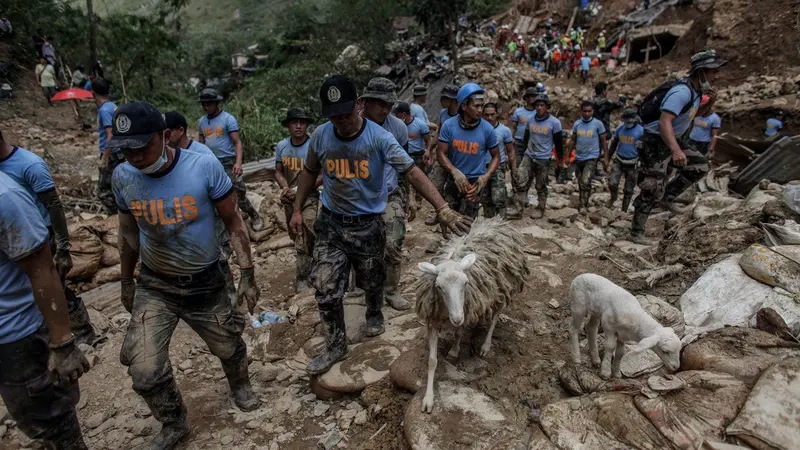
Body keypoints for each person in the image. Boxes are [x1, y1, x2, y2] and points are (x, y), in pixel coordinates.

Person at [289, 75, 471, 374]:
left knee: (372, 279)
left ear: (358, 106)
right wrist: (298, 209)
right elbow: (309, 172)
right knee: (325, 286)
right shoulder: (322, 135)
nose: (341, 122)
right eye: (334, 116)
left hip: (368, 223)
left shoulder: (379, 138)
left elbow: (412, 172)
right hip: (332, 222)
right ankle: (335, 344)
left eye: (346, 114)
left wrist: (443, 208)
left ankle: (375, 311)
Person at [111, 101, 262, 449]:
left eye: (141, 147)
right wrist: (125, 280)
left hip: (206, 280)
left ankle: (240, 385)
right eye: (125, 150)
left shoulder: (203, 165)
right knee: (144, 370)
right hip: (156, 283)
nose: (134, 157)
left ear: (165, 136)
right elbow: (127, 233)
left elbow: (233, 221)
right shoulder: (123, 177)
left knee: (228, 346)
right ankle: (174, 422)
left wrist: (247, 273)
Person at [0, 171, 91, 450]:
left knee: (50, 423)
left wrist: (63, 343)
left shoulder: (6, 197)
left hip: (17, 335)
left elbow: (43, 269)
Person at [0, 130, 96, 345]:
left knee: (54, 285)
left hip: (40, 237)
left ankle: (81, 332)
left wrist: (63, 247)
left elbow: (54, 206)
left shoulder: (29, 165)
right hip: (12, 239)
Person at [631, 49, 727, 243]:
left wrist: (711, 102)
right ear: (701, 72)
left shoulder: (696, 92)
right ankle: (636, 232)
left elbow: (693, 114)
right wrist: (675, 150)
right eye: (712, 71)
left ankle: (668, 196)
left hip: (675, 137)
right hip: (656, 142)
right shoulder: (681, 92)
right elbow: (664, 122)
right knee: (652, 186)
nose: (716, 75)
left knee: (700, 166)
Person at [360, 78, 414, 311]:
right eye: (380, 103)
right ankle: (362, 289)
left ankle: (392, 289)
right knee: (361, 246)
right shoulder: (352, 125)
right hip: (359, 198)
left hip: (390, 194)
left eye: (389, 105)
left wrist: (408, 197)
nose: (385, 109)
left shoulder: (398, 128)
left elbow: (407, 167)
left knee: (394, 242)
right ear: (366, 102)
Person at [197, 88, 264, 231]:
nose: (206, 107)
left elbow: (237, 142)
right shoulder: (202, 122)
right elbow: (200, 145)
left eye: (209, 104)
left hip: (228, 161)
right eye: (204, 104)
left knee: (237, 194)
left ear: (216, 103)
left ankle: (254, 215)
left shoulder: (228, 119)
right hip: (210, 162)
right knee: (214, 196)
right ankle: (225, 227)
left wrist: (238, 163)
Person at [437, 82, 501, 221]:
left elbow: (496, 156)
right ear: (464, 106)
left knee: (467, 222)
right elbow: (440, 153)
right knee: (449, 219)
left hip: (474, 184)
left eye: (481, 106)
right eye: (476, 106)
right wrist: (454, 171)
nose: (480, 110)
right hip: (454, 179)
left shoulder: (487, 129)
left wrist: (485, 177)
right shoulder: (449, 125)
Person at [274, 108, 319, 293]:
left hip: (310, 197)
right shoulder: (282, 146)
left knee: (305, 233)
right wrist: (284, 187)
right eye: (294, 123)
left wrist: (303, 189)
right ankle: (310, 267)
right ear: (288, 126)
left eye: (302, 122)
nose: (299, 126)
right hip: (290, 200)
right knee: (295, 235)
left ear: (307, 125)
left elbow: (323, 174)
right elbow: (277, 171)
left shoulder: (313, 146)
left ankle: (304, 278)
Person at [513, 94, 563, 219]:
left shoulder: (555, 123)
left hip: (544, 158)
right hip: (529, 155)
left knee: (541, 185)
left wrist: (560, 160)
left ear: (547, 107)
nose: (539, 108)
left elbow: (558, 143)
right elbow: (526, 137)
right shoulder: (530, 119)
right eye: (537, 105)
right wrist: (524, 152)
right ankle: (519, 207)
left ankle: (540, 208)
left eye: (542, 105)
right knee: (521, 180)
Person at [423, 84, 460, 227]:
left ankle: (452, 216)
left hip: (456, 156)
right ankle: (439, 214)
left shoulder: (461, 115)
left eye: (445, 98)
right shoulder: (444, 113)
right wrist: (429, 149)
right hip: (442, 154)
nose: (441, 100)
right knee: (435, 184)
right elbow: (438, 132)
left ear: (453, 100)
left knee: (454, 189)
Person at [568, 101, 607, 214]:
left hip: (592, 157)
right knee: (581, 182)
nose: (587, 113)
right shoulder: (577, 124)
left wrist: (606, 158)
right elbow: (572, 140)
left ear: (593, 111)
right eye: (585, 111)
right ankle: (583, 199)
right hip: (579, 157)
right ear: (581, 112)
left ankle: (583, 206)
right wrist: (567, 156)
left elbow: (603, 141)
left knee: (585, 180)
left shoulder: (598, 124)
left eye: (589, 111)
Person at [395, 101, 431, 220]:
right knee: (405, 180)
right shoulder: (399, 126)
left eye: (398, 115)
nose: (396, 117)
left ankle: (419, 199)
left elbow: (428, 139)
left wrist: (428, 151)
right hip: (404, 155)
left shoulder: (420, 124)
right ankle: (406, 202)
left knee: (419, 178)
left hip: (418, 155)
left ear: (404, 114)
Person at [92, 78, 121, 215]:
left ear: (93, 94)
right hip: (119, 152)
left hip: (112, 153)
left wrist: (104, 157)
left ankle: (116, 217)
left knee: (104, 190)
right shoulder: (114, 107)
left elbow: (111, 134)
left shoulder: (104, 110)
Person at [606, 109, 644, 212]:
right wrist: (607, 158)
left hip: (633, 163)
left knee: (628, 189)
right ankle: (613, 197)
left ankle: (624, 210)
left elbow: (644, 149)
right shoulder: (620, 129)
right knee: (612, 182)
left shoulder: (641, 131)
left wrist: (643, 162)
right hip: (619, 160)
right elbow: (614, 143)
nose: (627, 123)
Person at [482, 102, 515, 218]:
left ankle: (501, 222)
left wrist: (513, 168)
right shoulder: (478, 129)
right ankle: (488, 222)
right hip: (481, 167)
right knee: (485, 197)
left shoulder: (504, 131)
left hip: (497, 167)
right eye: (486, 115)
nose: (489, 118)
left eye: (492, 114)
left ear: (497, 114)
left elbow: (510, 150)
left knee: (499, 197)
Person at [510, 87, 539, 166]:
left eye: (535, 96)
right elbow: (513, 127)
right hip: (518, 141)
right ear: (526, 98)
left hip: (532, 142)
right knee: (517, 163)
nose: (533, 98)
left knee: (530, 165)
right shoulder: (518, 111)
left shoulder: (538, 112)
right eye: (531, 96)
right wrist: (511, 138)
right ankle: (516, 177)